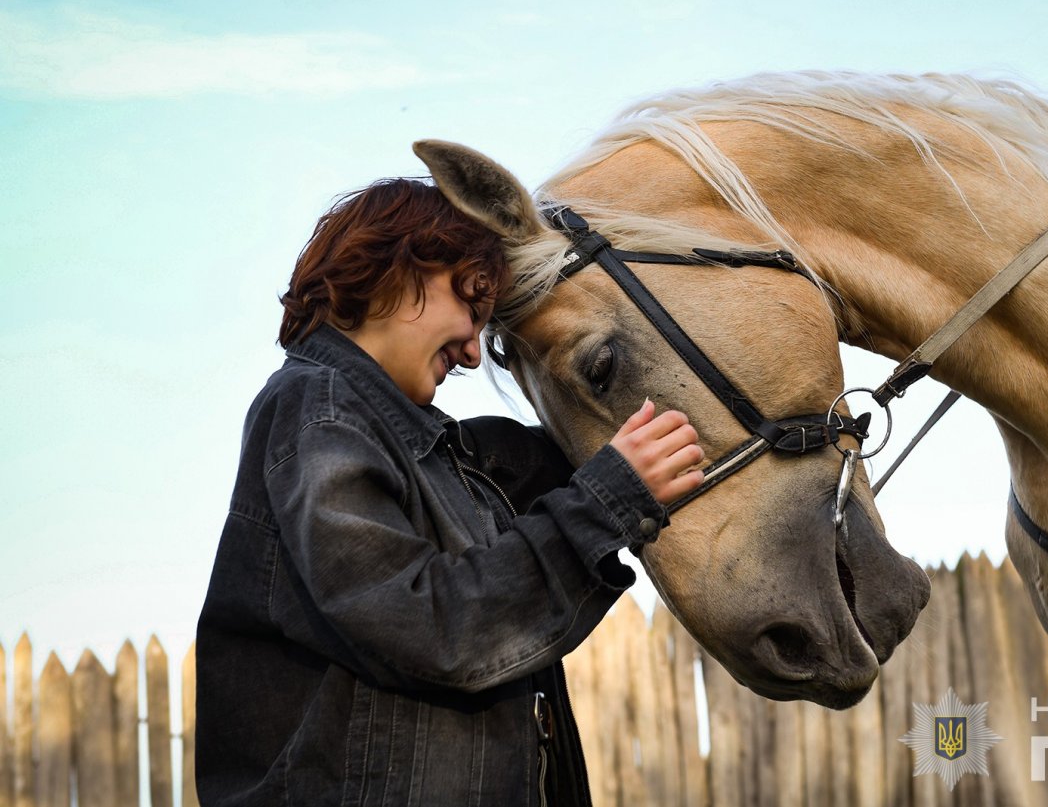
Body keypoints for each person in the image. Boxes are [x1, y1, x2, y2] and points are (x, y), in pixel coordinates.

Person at [195, 175, 704, 805]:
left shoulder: (443, 454)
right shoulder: (318, 410)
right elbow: (431, 626)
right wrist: (607, 502)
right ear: (398, 271)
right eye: (471, 307)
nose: (471, 354)